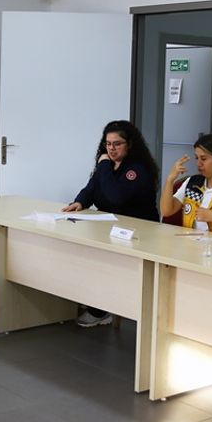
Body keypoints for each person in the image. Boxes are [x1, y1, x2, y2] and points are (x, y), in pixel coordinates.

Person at [63, 120, 159, 327]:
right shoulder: (106, 166)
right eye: (108, 144)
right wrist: (80, 202)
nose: (111, 149)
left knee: (103, 262)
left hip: (138, 233)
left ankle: (100, 309)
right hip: (110, 228)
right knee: (81, 252)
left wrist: (104, 165)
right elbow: (91, 188)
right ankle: (93, 301)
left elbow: (116, 197)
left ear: (129, 144)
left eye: (117, 144)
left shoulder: (136, 170)